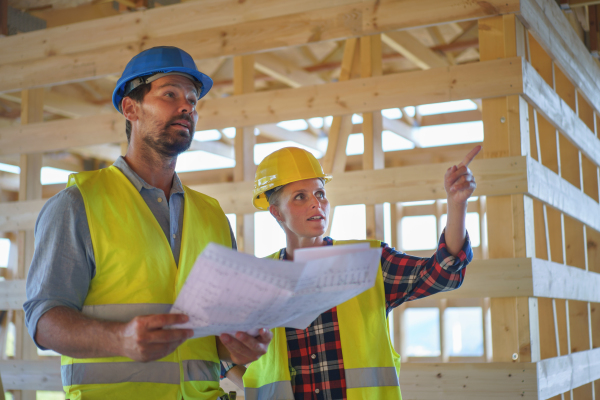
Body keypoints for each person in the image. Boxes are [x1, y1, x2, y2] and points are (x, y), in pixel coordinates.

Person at [24, 46, 271, 400]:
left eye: (192, 99)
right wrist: (119, 340)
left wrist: (239, 348)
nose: (186, 107)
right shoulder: (78, 205)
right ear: (130, 107)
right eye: (170, 94)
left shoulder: (212, 215)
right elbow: (44, 322)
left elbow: (217, 337)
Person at [239, 146, 479, 399]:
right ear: (276, 212)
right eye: (300, 196)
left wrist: (457, 205)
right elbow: (218, 349)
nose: (316, 204)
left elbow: (441, 274)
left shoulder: (367, 263)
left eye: (320, 193)